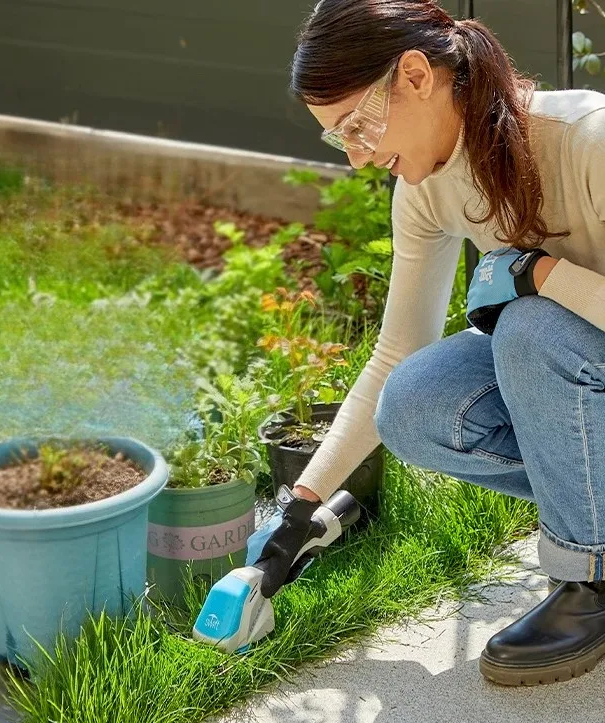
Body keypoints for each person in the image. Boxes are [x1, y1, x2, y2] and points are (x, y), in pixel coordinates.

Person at [255, 0, 605, 687]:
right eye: (338, 139)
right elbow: (395, 354)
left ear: (416, 75)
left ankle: (588, 576)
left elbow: (541, 310)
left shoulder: (587, 139)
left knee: (530, 327)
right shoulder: (426, 190)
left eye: (357, 124)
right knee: (416, 401)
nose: (356, 157)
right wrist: (299, 509)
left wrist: (539, 273)